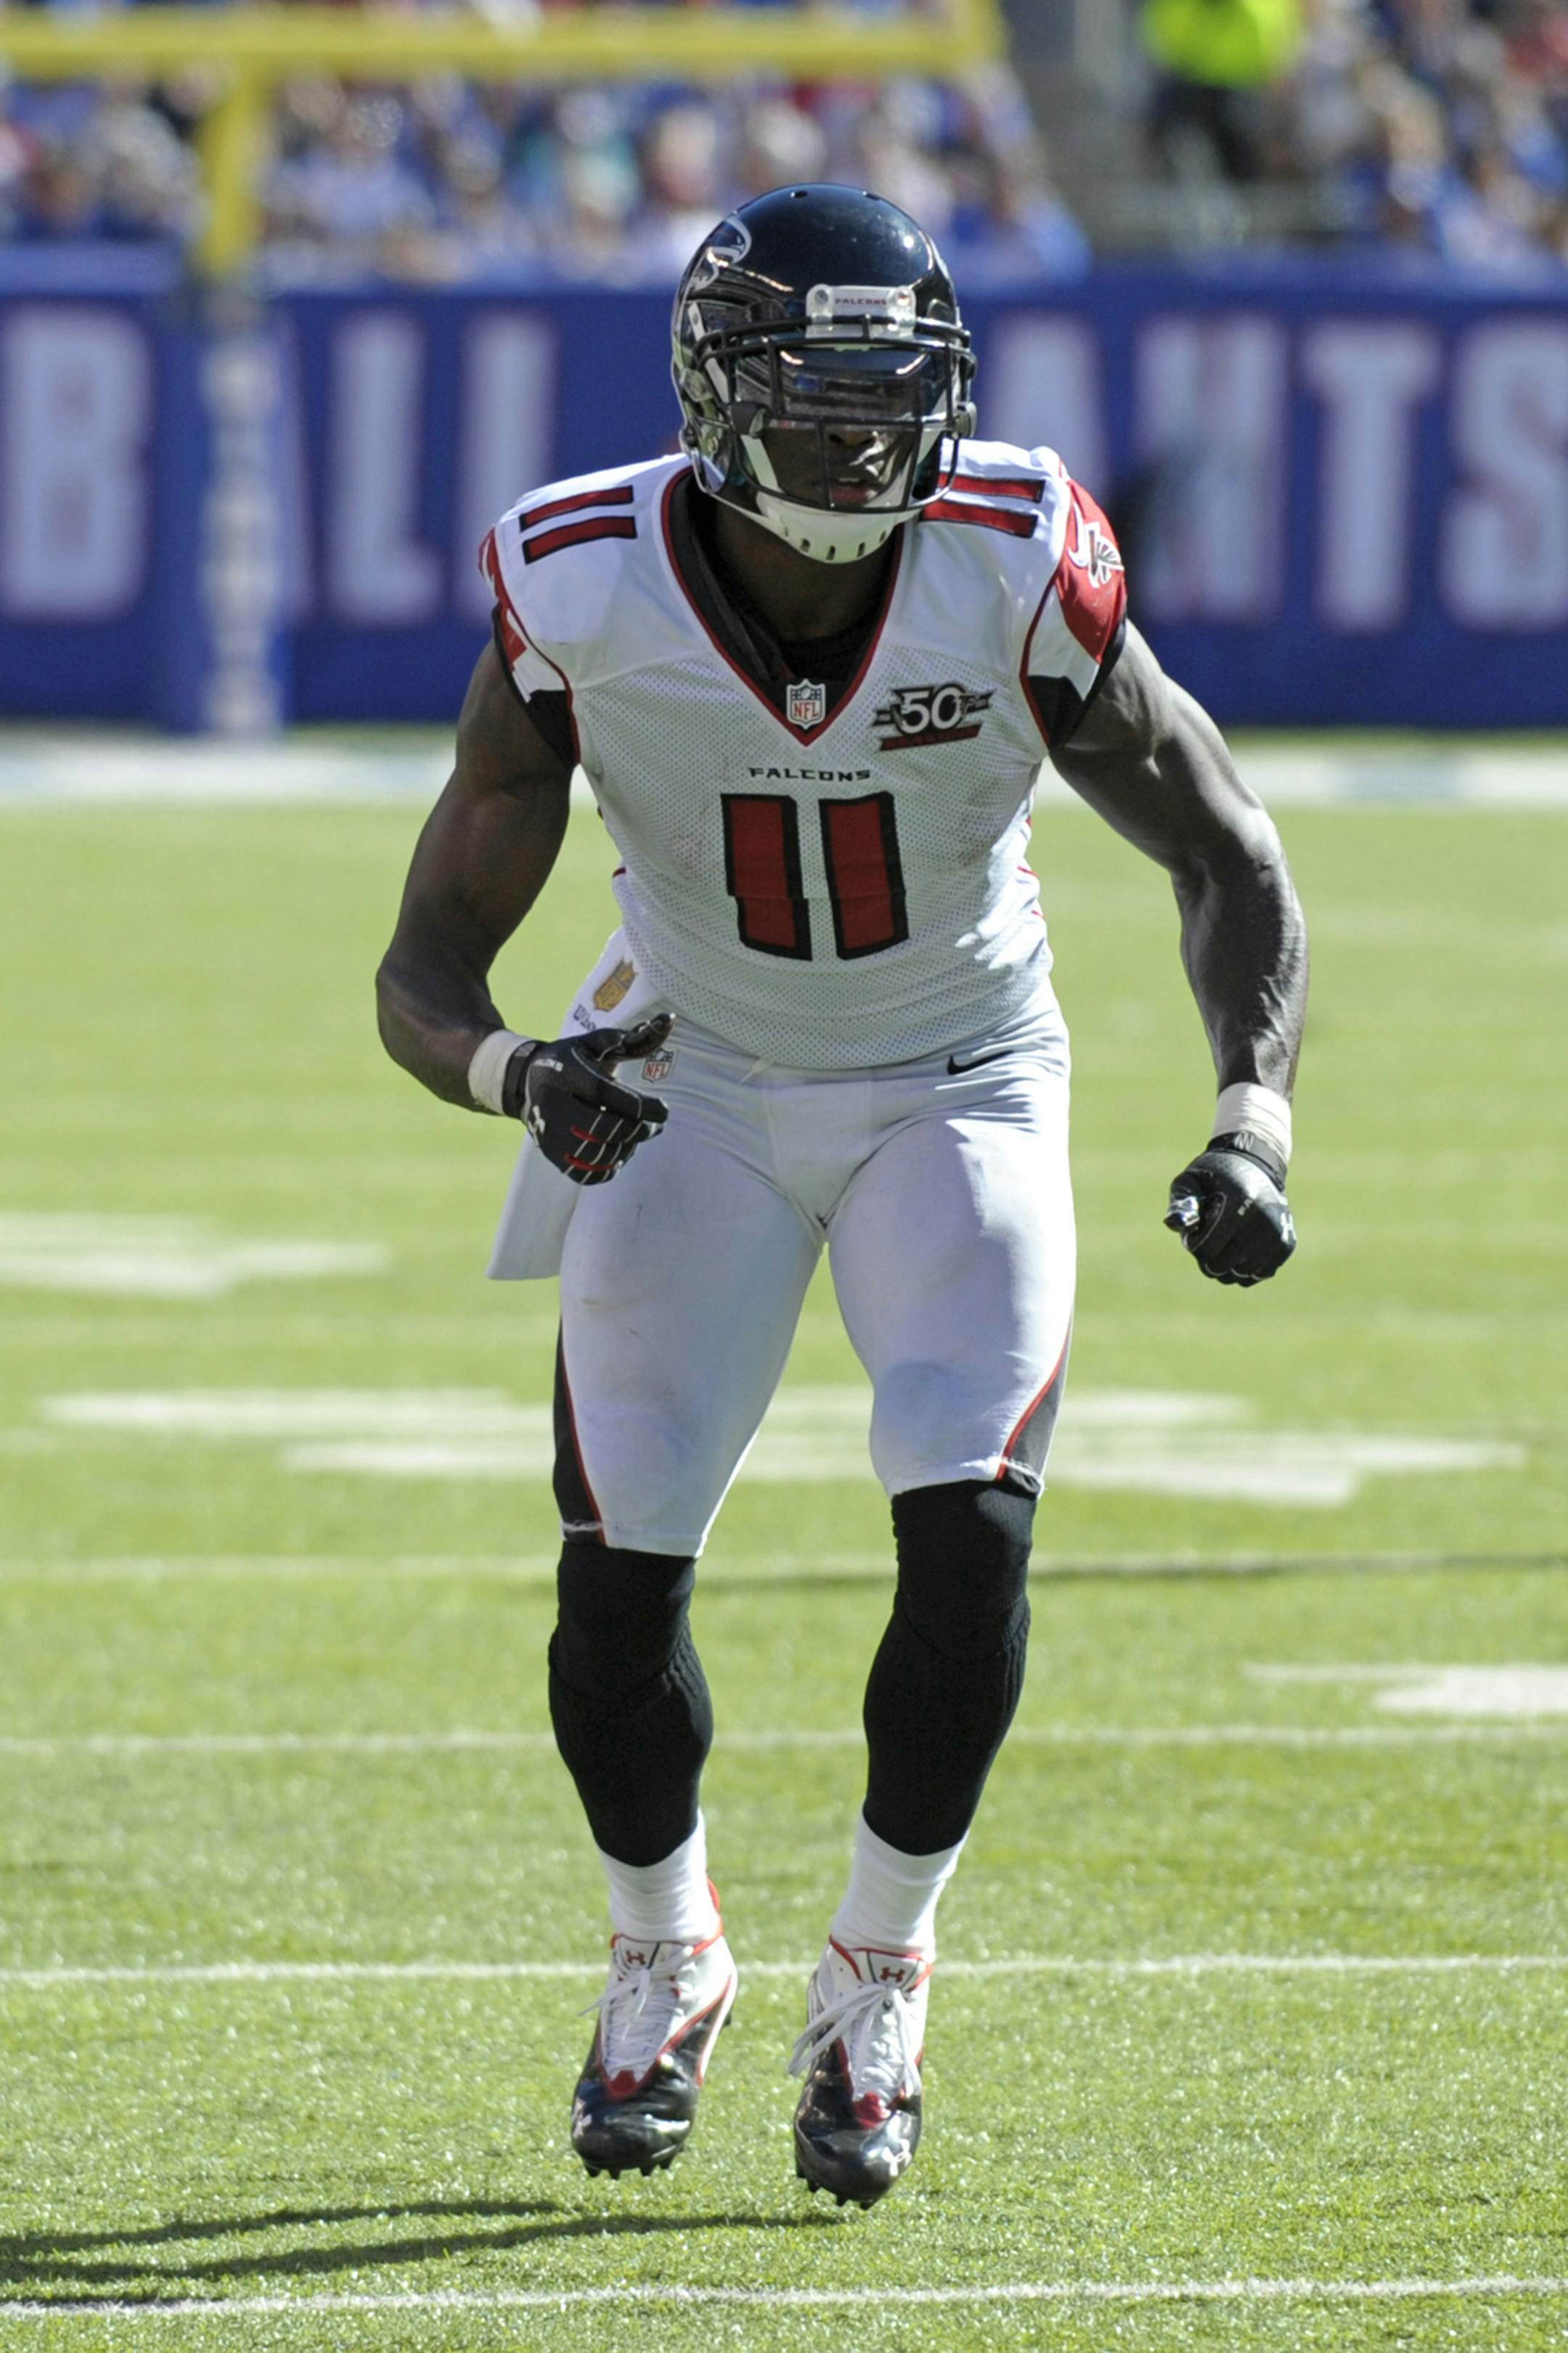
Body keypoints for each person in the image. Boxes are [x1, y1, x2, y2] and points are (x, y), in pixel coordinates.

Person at [376, 182, 1307, 2211]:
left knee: (969, 1530)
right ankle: (664, 1945)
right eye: (820, 405)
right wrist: (524, 1069)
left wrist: (1256, 1107)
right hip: (688, 1083)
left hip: (958, 1078)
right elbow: (423, 963)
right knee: (612, 1601)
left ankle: (883, 1961)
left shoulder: (1006, 554)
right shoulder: (582, 578)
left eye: (899, 400)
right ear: (718, 402)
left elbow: (1228, 843)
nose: (867, 449)